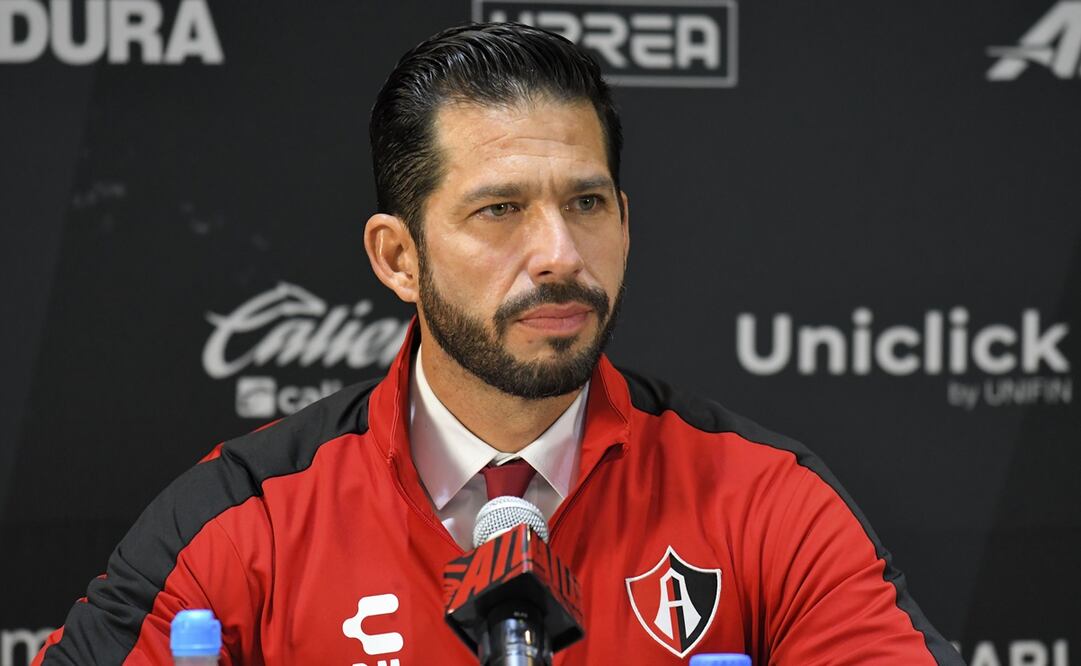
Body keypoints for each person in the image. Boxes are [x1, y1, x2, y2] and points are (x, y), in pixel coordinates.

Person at [35, 23, 962, 665]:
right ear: (398, 257)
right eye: (500, 210)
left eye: (586, 204)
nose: (560, 255)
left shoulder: (767, 503)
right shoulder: (244, 524)